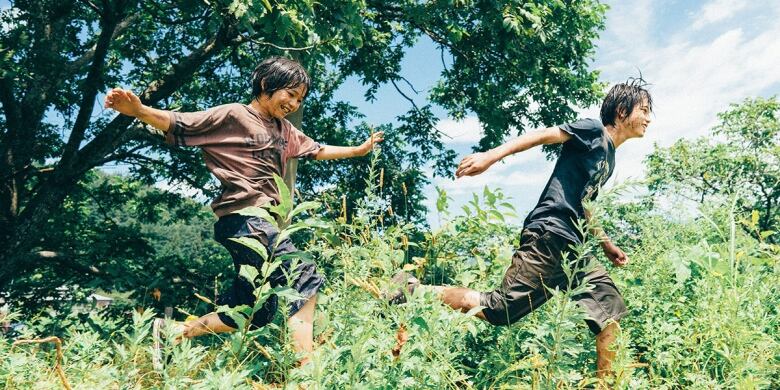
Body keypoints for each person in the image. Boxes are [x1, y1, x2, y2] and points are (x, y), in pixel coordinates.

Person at [104, 56, 384, 365]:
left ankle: (173, 331)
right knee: (303, 276)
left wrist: (358, 150)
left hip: (255, 225)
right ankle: (307, 373)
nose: (293, 103)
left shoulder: (285, 130)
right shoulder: (234, 115)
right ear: (266, 85)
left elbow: (316, 149)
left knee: (252, 311)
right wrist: (139, 110)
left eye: (300, 99)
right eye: (289, 94)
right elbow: (181, 122)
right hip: (246, 220)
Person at [389, 79, 652, 377]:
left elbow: (586, 204)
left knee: (610, 311)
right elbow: (543, 136)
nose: (648, 118)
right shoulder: (592, 131)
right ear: (621, 110)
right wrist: (490, 156)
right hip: (550, 234)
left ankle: (607, 384)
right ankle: (413, 289)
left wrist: (605, 243)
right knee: (499, 310)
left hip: (575, 248)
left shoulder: (609, 157)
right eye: (643, 110)